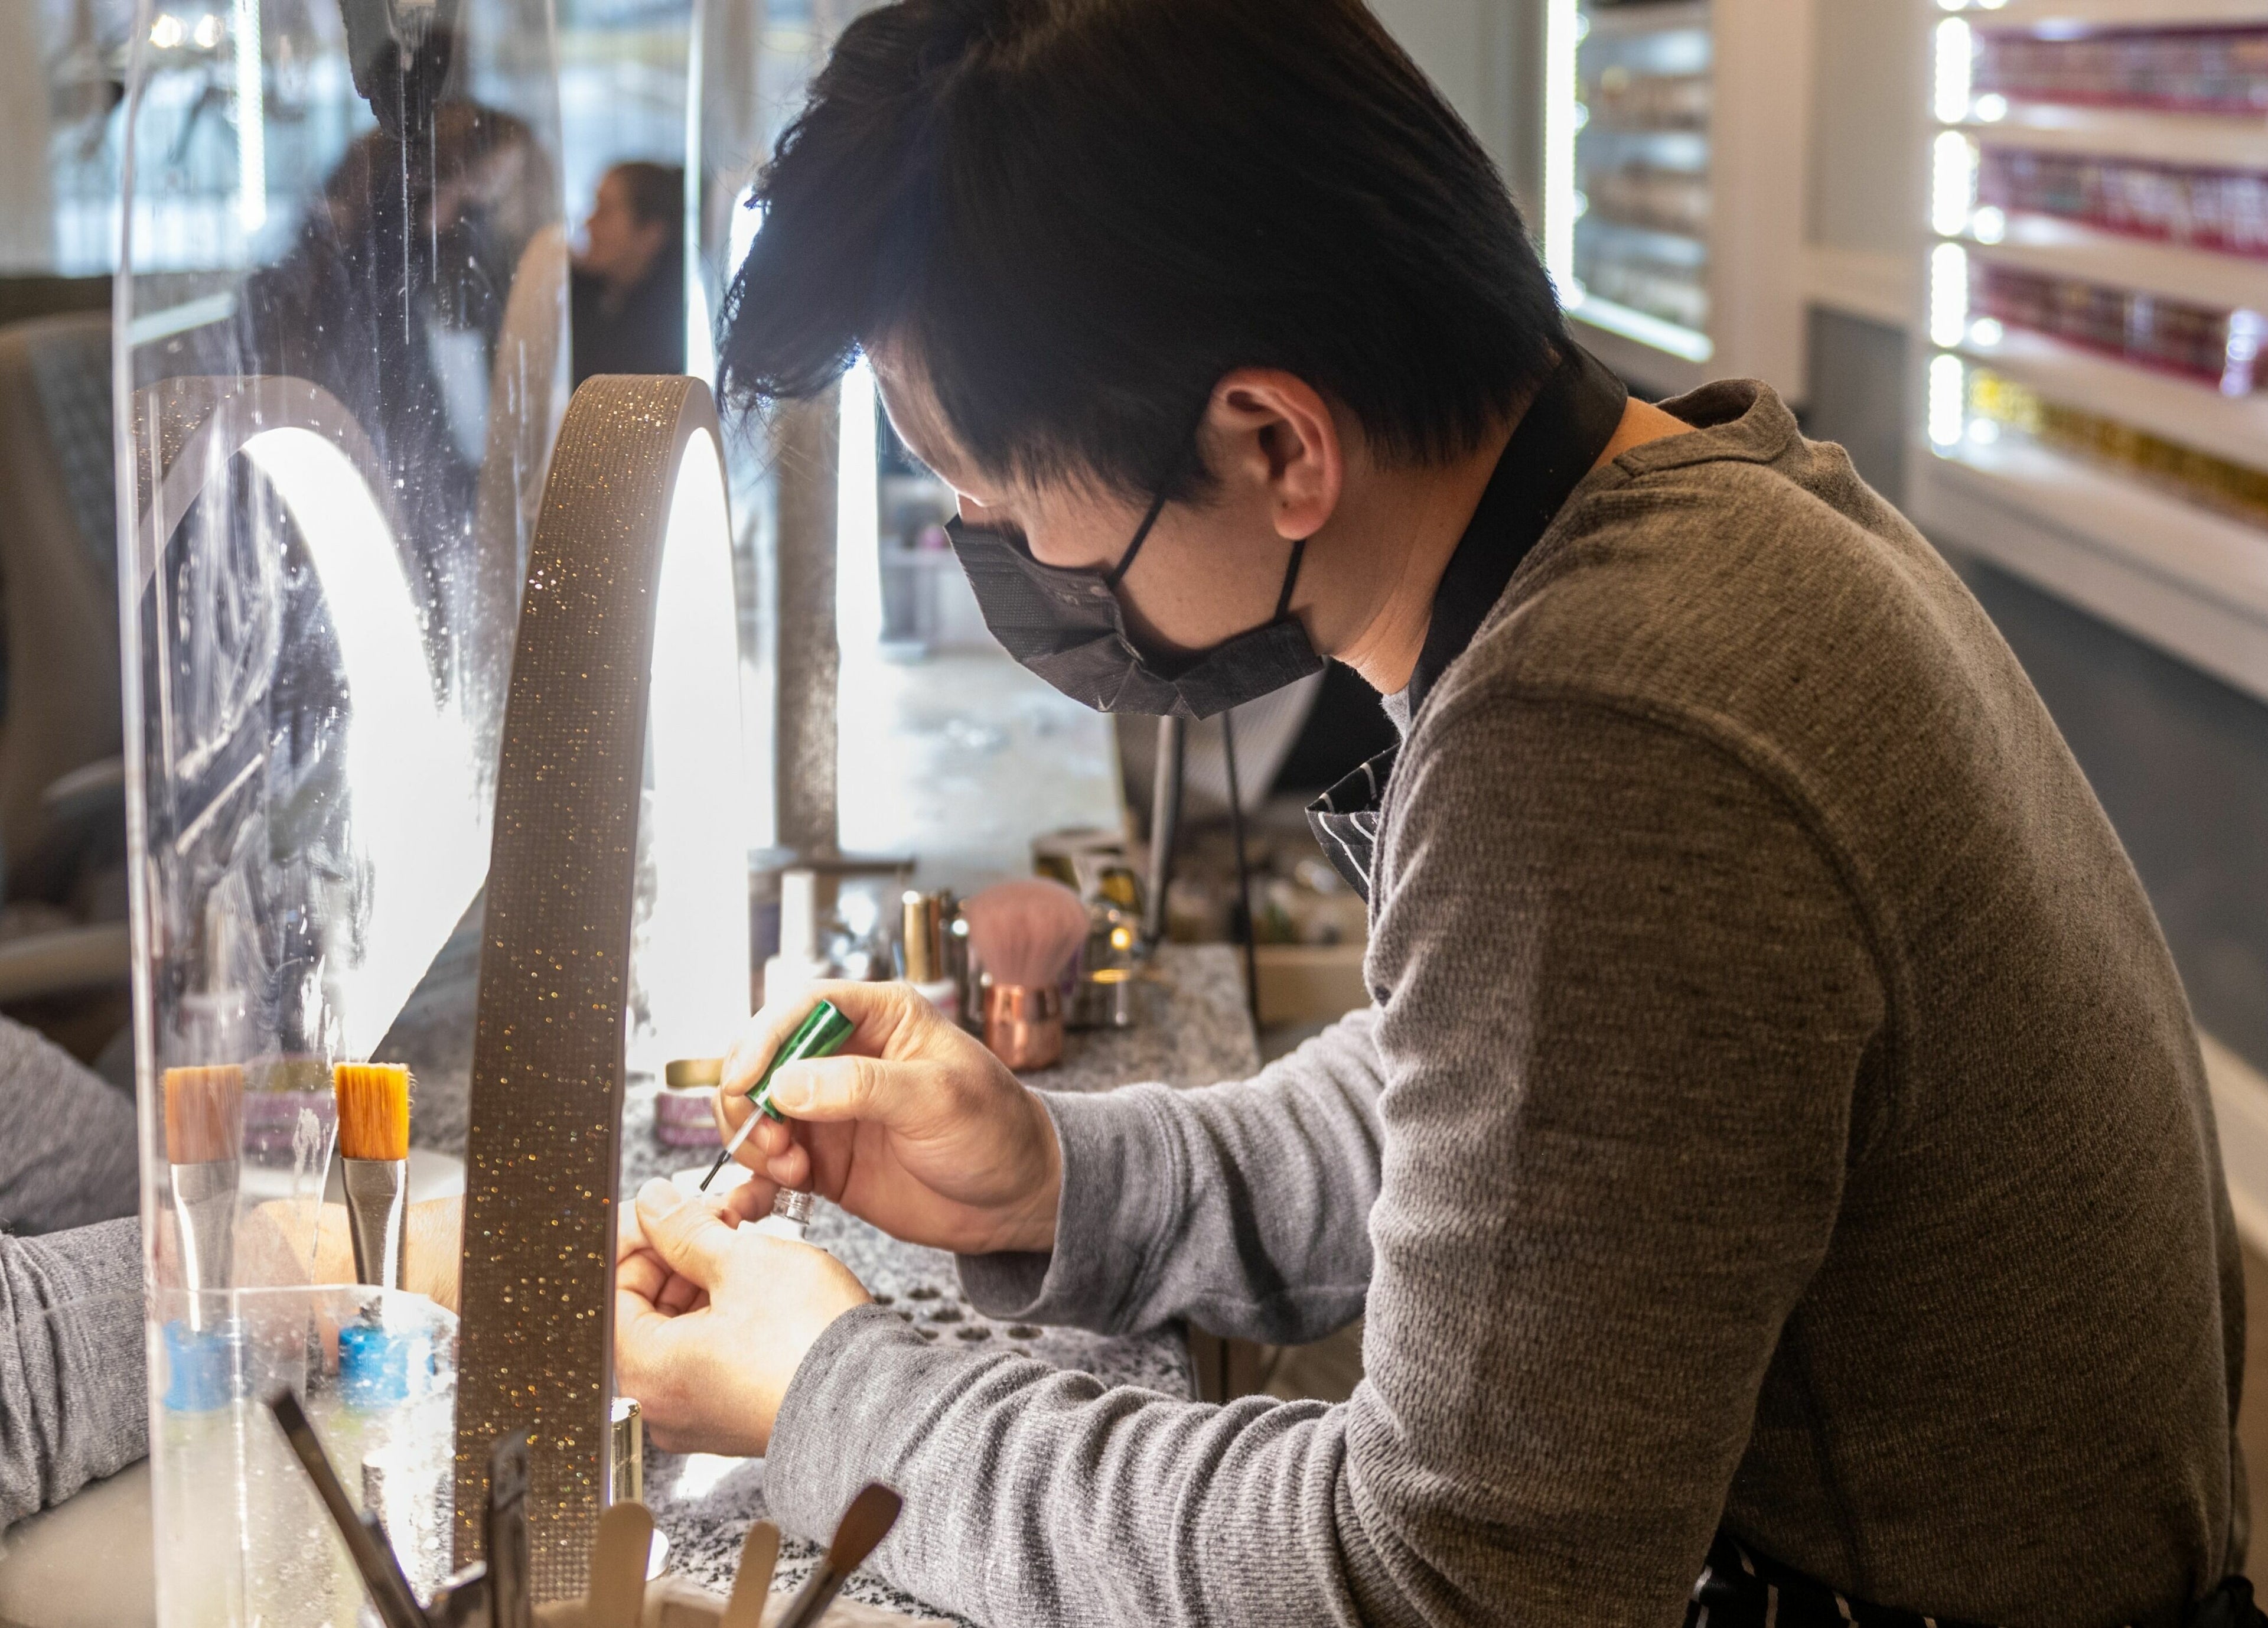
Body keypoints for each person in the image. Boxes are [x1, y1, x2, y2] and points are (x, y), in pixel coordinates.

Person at [611, 1, 2259, 1626]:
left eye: (1006, 498)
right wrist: (1048, 1179)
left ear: (1274, 444)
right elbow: (1507, 1127)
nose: (1002, 551)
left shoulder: (1615, 730)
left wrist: (836, 1389)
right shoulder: (1705, 511)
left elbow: (1447, 1583)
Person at [571, 161, 686, 386]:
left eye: (604, 212)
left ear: (651, 233)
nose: (589, 222)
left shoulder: (671, 322)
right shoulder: (581, 289)